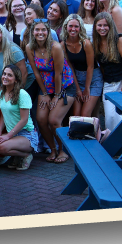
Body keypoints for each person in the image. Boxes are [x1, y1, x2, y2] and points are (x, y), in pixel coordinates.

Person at [25, 18, 74, 163]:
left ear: (48, 32)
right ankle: (52, 149)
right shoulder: (29, 47)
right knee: (40, 119)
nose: (40, 33)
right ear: (33, 32)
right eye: (37, 30)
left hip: (63, 87)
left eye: (43, 30)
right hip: (46, 87)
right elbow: (36, 72)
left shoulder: (55, 47)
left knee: (53, 120)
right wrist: (45, 94)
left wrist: (56, 96)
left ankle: (63, 150)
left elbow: (58, 74)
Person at [0, 64, 39, 170]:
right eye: (4, 74)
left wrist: (8, 136)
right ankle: (16, 156)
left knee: (1, 147)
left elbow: (24, 120)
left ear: (16, 80)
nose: (5, 77)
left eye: (9, 75)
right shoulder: (2, 93)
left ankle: (26, 155)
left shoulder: (22, 94)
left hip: (27, 134)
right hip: (12, 133)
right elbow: (3, 114)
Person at [93, 12, 122, 136]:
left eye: (105, 25)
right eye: (99, 25)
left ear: (110, 26)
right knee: (110, 116)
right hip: (109, 82)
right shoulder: (96, 42)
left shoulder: (119, 39)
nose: (102, 28)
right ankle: (113, 143)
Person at [61, 13, 102, 118]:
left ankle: (94, 134)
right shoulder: (63, 44)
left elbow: (91, 66)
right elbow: (70, 68)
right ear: (66, 27)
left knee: (85, 114)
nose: (73, 29)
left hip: (93, 79)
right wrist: (78, 89)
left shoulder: (86, 43)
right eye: (71, 26)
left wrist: (87, 88)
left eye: (76, 26)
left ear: (80, 28)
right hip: (77, 78)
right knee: (76, 114)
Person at [0, 22, 33, 89]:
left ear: (3, 35)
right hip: (6, 87)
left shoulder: (13, 50)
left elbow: (24, 73)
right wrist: (0, 89)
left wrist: (16, 93)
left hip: (26, 84)